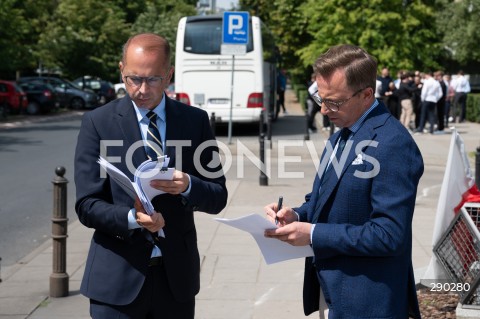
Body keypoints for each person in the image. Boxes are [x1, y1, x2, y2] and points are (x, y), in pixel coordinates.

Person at [263, 44, 424, 319]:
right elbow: (323, 197)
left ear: (366, 95)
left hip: (368, 300)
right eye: (320, 99)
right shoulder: (343, 131)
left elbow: (388, 235)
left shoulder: (393, 143)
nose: (324, 110)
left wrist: (313, 234)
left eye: (334, 102)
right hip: (334, 292)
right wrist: (296, 214)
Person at [74, 33, 228, 319]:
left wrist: (188, 185)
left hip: (175, 281)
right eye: (133, 78)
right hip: (116, 282)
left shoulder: (195, 121)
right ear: (121, 70)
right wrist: (133, 219)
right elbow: (87, 204)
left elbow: (218, 197)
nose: (142, 89)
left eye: (153, 79)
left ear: (168, 75)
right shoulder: (97, 122)